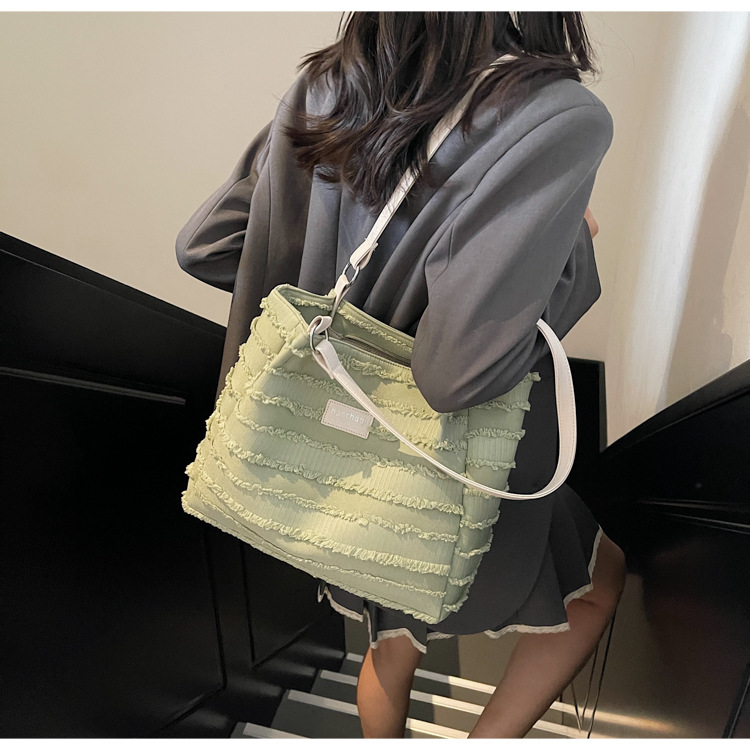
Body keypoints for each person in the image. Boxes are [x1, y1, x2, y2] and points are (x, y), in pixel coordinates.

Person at [175, 11, 627, 739]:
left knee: (391, 642)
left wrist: (330, 289)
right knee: (598, 583)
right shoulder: (553, 115)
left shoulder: (331, 83)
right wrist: (574, 245)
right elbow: (457, 376)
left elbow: (207, 245)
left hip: (330, 465)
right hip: (443, 469)